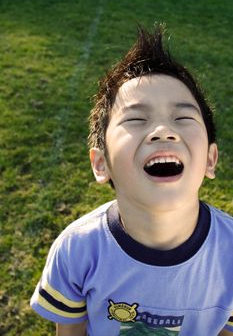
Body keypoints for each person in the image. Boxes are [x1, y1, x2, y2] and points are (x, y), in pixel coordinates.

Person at [30, 24, 233, 336]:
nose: (163, 131)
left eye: (182, 118)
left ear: (210, 158)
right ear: (102, 164)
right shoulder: (77, 249)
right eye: (137, 119)